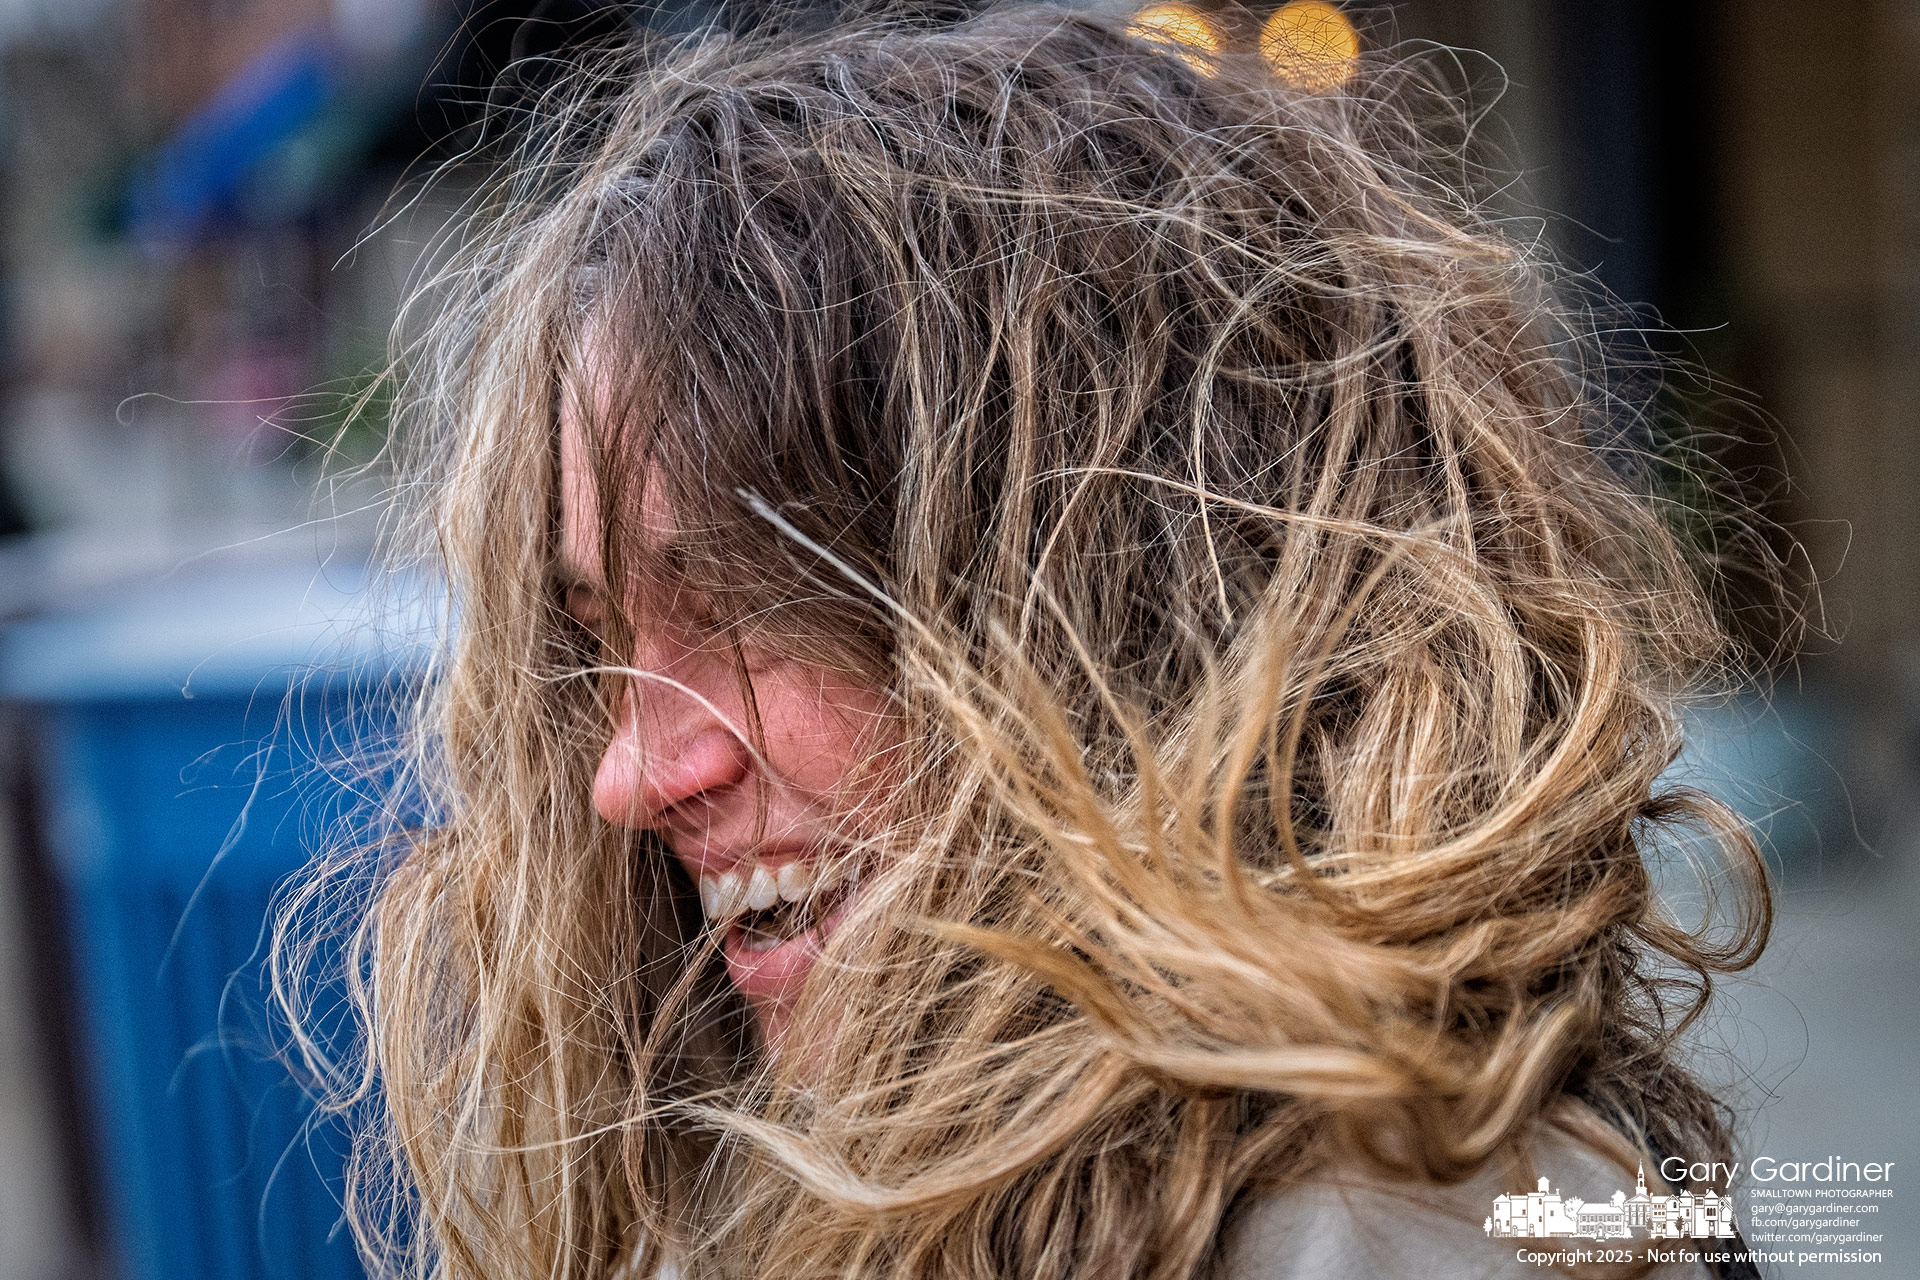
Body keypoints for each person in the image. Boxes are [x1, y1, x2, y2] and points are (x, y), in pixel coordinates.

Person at [283, 5, 1776, 1278]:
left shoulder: (1388, 1226)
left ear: (1153, 595)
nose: (632, 775)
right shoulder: (860, 1154)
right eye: (603, 638)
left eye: (748, 598)